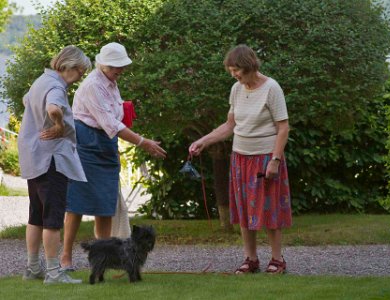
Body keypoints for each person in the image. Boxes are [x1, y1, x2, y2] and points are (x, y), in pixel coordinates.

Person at [60, 42, 167, 270]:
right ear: (103, 65)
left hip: (106, 143)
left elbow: (115, 117)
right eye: (116, 67)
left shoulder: (111, 82)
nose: (120, 71)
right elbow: (110, 123)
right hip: (86, 142)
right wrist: (142, 141)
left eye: (122, 66)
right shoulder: (92, 86)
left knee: (105, 203)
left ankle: (103, 256)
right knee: (77, 202)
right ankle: (65, 257)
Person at [189, 44, 292, 274]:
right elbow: (230, 125)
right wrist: (203, 141)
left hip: (266, 157)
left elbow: (283, 127)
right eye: (231, 71)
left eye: (237, 70)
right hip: (240, 158)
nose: (234, 75)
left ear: (249, 66)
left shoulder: (271, 88)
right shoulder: (236, 89)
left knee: (270, 208)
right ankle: (251, 259)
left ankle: (277, 260)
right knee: (245, 209)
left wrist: (275, 160)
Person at [18, 45, 91, 284]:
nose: (80, 76)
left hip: (34, 156)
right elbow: (53, 107)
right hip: (52, 160)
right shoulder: (56, 86)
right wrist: (58, 124)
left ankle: (32, 268)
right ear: (70, 67)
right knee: (52, 218)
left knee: (36, 215)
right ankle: (52, 272)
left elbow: (25, 100)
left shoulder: (40, 81)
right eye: (80, 71)